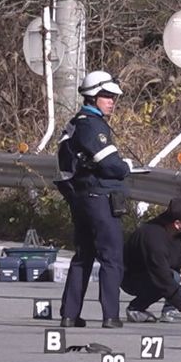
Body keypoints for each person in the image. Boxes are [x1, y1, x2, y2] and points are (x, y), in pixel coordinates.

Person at [55, 70, 133, 329]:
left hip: (82, 198)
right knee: (112, 258)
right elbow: (110, 164)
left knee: (83, 256)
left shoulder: (77, 122)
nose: (111, 101)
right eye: (106, 96)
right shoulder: (92, 125)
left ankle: (69, 314)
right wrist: (125, 168)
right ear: (92, 97)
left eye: (112, 96)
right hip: (99, 198)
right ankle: (111, 316)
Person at [122, 197, 181, 325]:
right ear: (177, 223)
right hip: (135, 276)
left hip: (161, 265)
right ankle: (136, 308)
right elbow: (162, 276)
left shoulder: (180, 230)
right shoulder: (153, 238)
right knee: (173, 277)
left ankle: (170, 310)